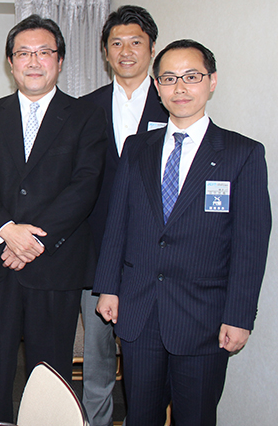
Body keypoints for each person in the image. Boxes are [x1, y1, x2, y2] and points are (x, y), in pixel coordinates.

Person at [94, 40, 271, 426]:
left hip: (205, 318)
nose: (180, 88)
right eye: (169, 78)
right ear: (157, 86)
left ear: (212, 82)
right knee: (141, 416)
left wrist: (240, 316)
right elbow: (117, 222)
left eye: (191, 77)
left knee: (196, 417)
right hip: (140, 311)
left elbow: (251, 244)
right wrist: (108, 286)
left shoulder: (242, 154)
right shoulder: (137, 148)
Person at [0, 14, 107, 422]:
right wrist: (7, 231)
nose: (33, 61)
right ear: (10, 62)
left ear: (59, 61)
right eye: (23, 53)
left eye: (44, 52)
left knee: (51, 374)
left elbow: (85, 185)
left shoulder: (86, 116)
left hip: (55, 265)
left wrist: (33, 240)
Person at [80, 5, 168, 426]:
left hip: (154, 262)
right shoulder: (84, 109)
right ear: (105, 52)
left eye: (136, 42)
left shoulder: (173, 105)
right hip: (97, 255)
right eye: (116, 43)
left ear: (151, 49)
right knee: (97, 360)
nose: (126, 51)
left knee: (147, 362)